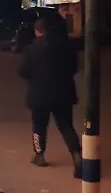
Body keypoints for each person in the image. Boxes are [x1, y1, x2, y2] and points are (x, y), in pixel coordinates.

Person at [19, 17, 82, 177]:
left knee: (39, 126)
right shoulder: (67, 47)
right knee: (66, 126)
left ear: (37, 31)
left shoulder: (31, 49)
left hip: (39, 95)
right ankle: (77, 154)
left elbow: (23, 71)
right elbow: (74, 68)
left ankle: (39, 155)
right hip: (64, 94)